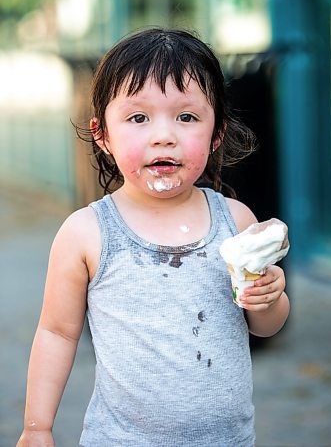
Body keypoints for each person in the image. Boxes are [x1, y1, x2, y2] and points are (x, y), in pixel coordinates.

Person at [17, 28, 290, 447]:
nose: (164, 135)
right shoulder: (86, 233)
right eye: (138, 118)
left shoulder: (235, 222)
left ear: (216, 134)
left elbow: (265, 328)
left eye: (186, 117)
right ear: (102, 135)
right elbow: (57, 333)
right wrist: (38, 428)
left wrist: (270, 299)